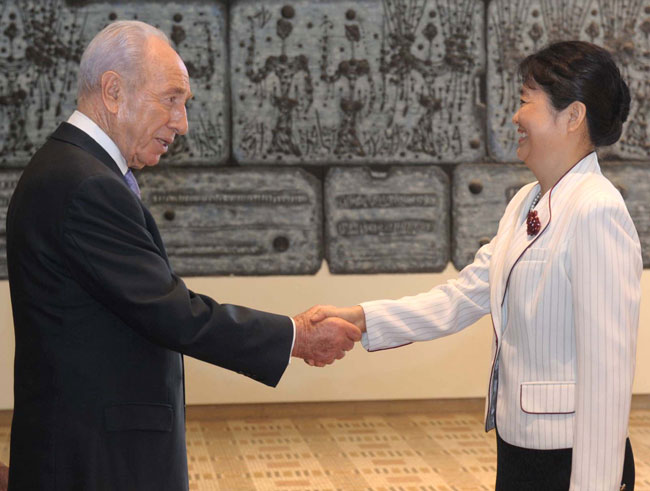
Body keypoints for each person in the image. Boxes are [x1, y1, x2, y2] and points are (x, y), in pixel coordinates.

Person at [5, 21, 361, 490]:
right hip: (97, 457)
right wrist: (293, 336)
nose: (182, 122)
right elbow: (170, 312)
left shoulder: (72, 168)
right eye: (171, 99)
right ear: (113, 91)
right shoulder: (86, 184)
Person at [312, 41, 641, 490]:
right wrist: (360, 318)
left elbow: (608, 373)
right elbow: (460, 297)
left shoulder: (596, 209)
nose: (514, 117)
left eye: (525, 101)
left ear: (573, 116)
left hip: (573, 458)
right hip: (520, 443)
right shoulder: (527, 201)